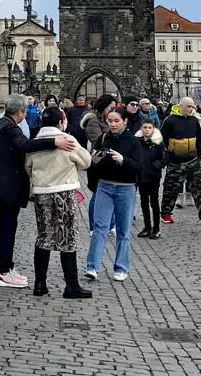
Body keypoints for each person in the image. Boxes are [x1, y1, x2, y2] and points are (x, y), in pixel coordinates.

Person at [0, 94, 77, 288]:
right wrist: (54, 142)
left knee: (7, 227)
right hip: (7, 186)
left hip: (2, 184)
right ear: (20, 112)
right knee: (7, 229)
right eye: (25, 112)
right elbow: (25, 145)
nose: (25, 115)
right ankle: (4, 271)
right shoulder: (10, 128)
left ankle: (7, 267)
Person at [25, 107, 93, 298]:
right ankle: (71, 285)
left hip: (42, 192)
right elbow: (86, 161)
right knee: (68, 236)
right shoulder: (67, 140)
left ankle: (40, 284)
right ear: (60, 123)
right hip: (64, 191)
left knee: (44, 236)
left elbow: (28, 166)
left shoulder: (35, 142)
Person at [85, 107, 143, 282]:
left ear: (125, 121)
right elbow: (92, 164)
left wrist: (123, 160)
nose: (113, 124)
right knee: (99, 228)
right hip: (104, 186)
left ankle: (121, 267)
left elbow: (139, 167)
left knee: (123, 230)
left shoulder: (133, 141)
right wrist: (93, 161)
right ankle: (92, 267)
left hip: (125, 188)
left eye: (116, 121)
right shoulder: (103, 139)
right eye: (110, 121)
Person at [160, 97, 201, 225]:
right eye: (189, 106)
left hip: (193, 160)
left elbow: (198, 137)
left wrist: (199, 152)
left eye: (193, 107)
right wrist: (167, 156)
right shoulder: (170, 121)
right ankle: (166, 213)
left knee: (200, 187)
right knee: (171, 188)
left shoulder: (194, 120)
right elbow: (162, 139)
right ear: (181, 106)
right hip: (176, 162)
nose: (191, 109)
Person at [81, 95, 116, 229]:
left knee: (111, 194)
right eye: (110, 108)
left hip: (110, 160)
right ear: (104, 107)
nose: (112, 110)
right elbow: (98, 141)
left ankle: (111, 224)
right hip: (99, 161)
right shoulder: (93, 121)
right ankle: (93, 226)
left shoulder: (107, 120)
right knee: (98, 194)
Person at [136, 120, 166, 239]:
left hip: (153, 176)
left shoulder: (158, 143)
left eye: (149, 127)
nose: (147, 130)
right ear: (141, 128)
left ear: (153, 129)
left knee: (154, 202)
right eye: (145, 127)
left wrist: (154, 166)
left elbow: (164, 159)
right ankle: (147, 227)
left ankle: (156, 228)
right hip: (141, 176)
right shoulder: (137, 142)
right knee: (143, 202)